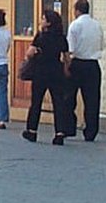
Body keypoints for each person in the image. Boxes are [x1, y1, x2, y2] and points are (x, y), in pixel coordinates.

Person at [22, 10, 71, 146]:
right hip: (56, 71)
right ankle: (59, 133)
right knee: (58, 103)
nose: (41, 21)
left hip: (40, 71)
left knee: (36, 102)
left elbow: (29, 53)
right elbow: (67, 58)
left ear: (48, 22)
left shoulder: (41, 36)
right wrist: (66, 70)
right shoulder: (61, 37)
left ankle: (32, 131)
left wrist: (36, 52)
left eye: (43, 19)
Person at [64, 0, 106, 141]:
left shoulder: (75, 25)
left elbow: (70, 49)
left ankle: (69, 127)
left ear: (77, 10)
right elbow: (102, 45)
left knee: (70, 97)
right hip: (93, 65)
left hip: (78, 63)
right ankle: (91, 131)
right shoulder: (97, 25)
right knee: (92, 99)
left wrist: (67, 66)